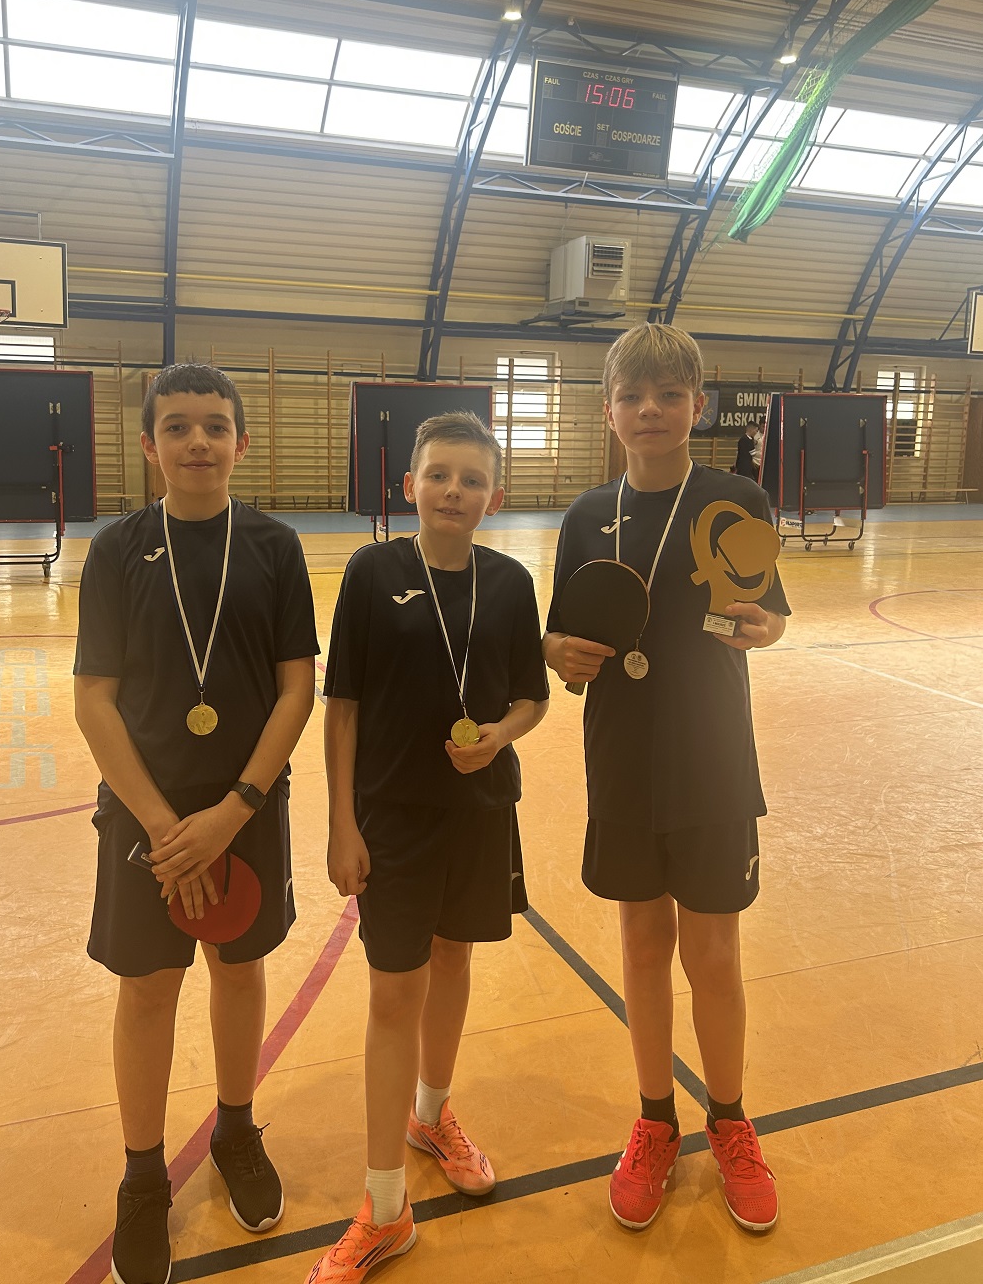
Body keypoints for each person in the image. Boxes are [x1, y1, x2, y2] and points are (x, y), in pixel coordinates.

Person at [74, 363, 318, 1284]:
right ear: (149, 446)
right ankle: (143, 1177)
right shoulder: (117, 550)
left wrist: (234, 811)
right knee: (147, 988)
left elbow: (297, 689)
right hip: (145, 816)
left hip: (244, 808)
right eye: (176, 426)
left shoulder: (275, 546)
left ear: (241, 442)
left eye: (215, 425)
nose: (198, 441)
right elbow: (95, 700)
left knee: (239, 969)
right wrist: (165, 828)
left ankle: (236, 1130)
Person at [543, 323, 790, 1236]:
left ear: (698, 404)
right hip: (622, 758)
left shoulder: (736, 498)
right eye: (632, 396)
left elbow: (768, 616)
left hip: (713, 759)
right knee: (644, 946)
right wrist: (555, 650)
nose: (650, 410)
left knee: (714, 954)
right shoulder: (585, 516)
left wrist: (767, 629)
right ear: (608, 411)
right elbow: (565, 635)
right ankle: (654, 1121)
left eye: (669, 395)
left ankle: (730, 1123)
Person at [307, 411, 549, 1283]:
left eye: (472, 479)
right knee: (392, 994)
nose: (454, 491)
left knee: (453, 960)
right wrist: (342, 823)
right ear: (409, 485)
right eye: (439, 475)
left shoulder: (511, 582)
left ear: (495, 496)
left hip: (479, 810)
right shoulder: (373, 572)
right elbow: (342, 708)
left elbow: (532, 697)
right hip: (392, 818)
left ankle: (431, 1115)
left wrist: (499, 737)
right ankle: (384, 1208)